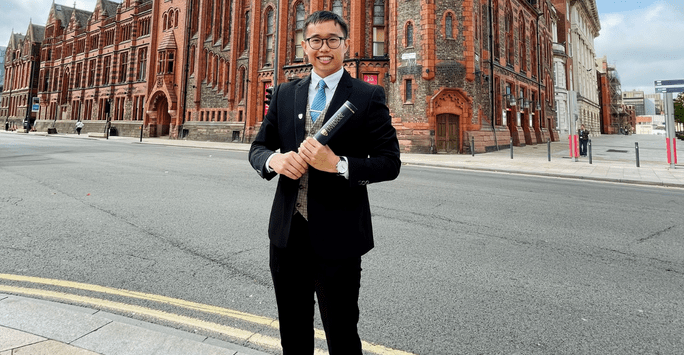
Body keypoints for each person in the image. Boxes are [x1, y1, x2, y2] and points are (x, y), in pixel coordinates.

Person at [248, 11, 401, 355]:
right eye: (316, 40)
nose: (324, 47)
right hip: (287, 236)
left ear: (346, 45)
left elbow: (390, 163)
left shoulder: (367, 95)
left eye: (333, 39)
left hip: (340, 238)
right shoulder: (286, 93)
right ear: (305, 47)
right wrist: (275, 160)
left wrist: (338, 164)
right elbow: (258, 148)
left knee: (342, 334)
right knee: (293, 332)